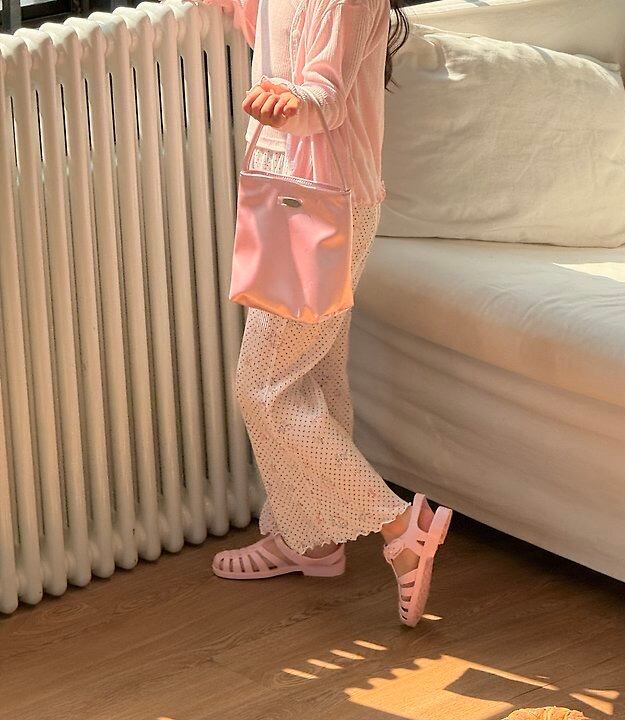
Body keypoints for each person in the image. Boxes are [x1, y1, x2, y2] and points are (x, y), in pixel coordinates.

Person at [189, 0, 452, 627]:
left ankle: (401, 527)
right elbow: (263, 25)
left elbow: (326, 95)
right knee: (317, 375)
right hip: (294, 192)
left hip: (322, 202)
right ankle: (308, 541)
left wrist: (293, 101)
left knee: (265, 387)